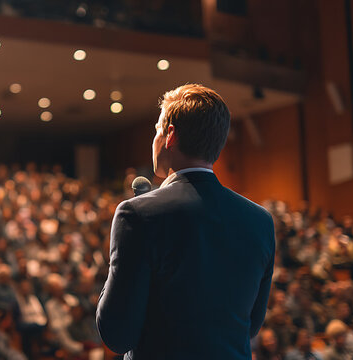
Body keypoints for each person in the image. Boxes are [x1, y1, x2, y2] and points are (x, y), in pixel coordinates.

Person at [96, 84, 276, 359]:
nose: (154, 139)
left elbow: (117, 334)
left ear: (170, 135)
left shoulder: (137, 215)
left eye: (157, 129)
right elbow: (249, 326)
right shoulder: (260, 220)